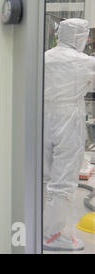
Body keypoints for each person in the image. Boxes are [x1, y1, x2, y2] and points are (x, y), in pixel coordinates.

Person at [43, 18, 95, 251]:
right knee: (63, 180)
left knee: (44, 176)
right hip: (68, 121)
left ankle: (40, 224)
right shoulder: (83, 61)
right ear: (79, 37)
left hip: (43, 118)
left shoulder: (44, 57)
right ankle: (52, 236)